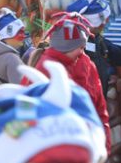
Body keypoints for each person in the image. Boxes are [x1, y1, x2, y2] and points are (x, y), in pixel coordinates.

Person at [36, 13, 110, 150]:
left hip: (88, 144)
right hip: (60, 151)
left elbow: (99, 105)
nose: (83, 51)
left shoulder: (87, 63)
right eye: (80, 47)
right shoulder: (45, 68)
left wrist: (103, 139)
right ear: (66, 47)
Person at [0, 13, 28, 84]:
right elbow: (19, 90)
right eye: (19, 32)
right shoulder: (11, 58)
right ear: (8, 33)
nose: (24, 36)